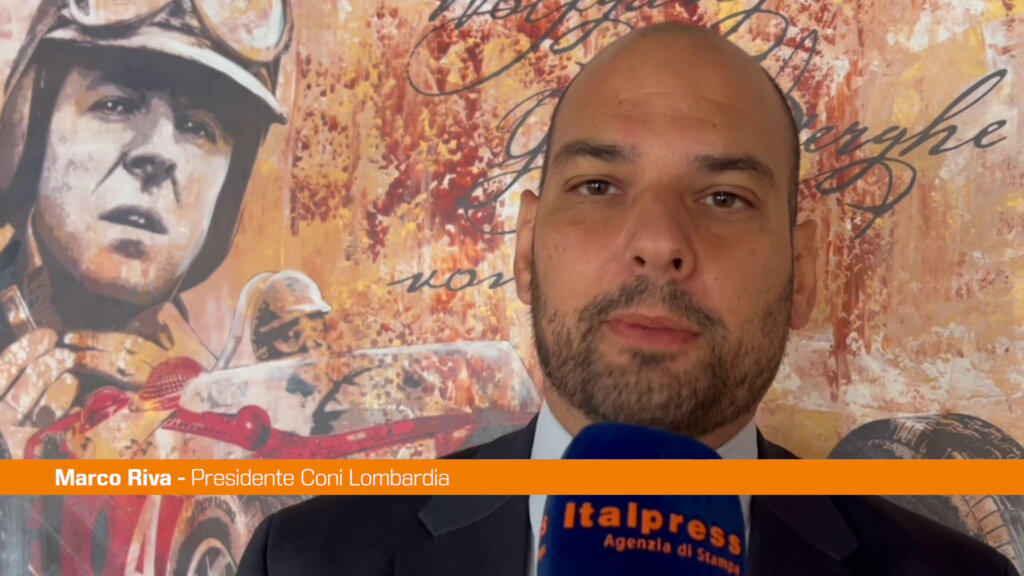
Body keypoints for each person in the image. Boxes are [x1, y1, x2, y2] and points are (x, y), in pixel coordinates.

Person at [236, 22, 1019, 576]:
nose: (658, 241)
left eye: (724, 197)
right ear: (525, 248)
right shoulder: (305, 560)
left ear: (804, 272)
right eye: (600, 186)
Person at [0, 0, 293, 459]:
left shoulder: (243, 421)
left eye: (198, 127)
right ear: (30, 133)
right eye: (114, 105)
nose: (158, 153)